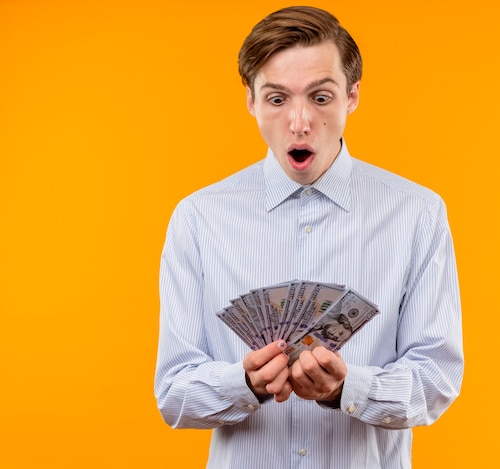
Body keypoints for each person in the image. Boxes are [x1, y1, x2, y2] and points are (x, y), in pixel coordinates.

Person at [155, 6, 463, 468]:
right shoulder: (198, 219)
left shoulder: (417, 215)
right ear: (251, 101)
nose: (299, 122)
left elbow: (436, 379)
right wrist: (244, 384)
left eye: (320, 97)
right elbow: (174, 393)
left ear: (352, 96)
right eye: (277, 99)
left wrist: (349, 389)